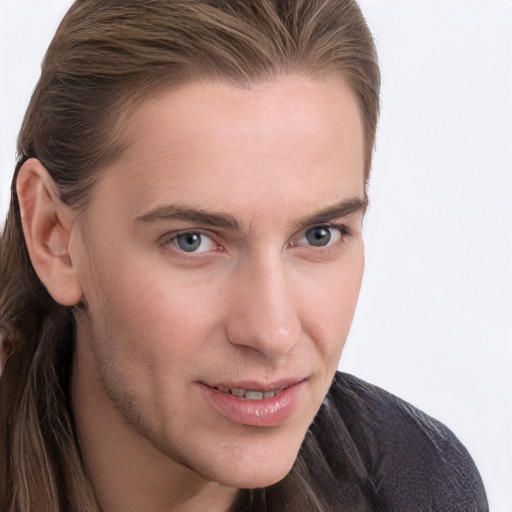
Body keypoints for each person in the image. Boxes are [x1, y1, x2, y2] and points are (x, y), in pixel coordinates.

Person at [0, 0, 488, 510]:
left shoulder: (417, 485)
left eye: (319, 235)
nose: (273, 333)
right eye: (193, 241)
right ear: (53, 236)